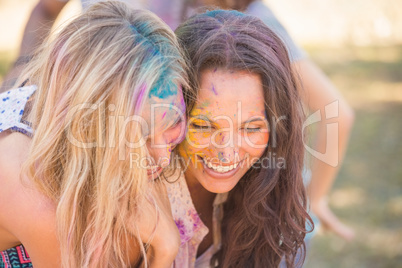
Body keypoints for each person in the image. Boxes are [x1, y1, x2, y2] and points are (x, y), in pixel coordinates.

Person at [2, 0, 354, 241]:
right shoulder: (46, 180)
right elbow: (46, 8)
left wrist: (316, 198)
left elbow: (335, 110)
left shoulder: (247, 13)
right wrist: (20, 76)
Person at [0, 1, 190, 267]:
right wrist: (166, 246)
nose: (164, 158)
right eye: (140, 136)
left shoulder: (54, 100)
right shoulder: (37, 198)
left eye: (173, 122)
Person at [164, 9, 312, 268]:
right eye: (203, 126)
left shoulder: (270, 187)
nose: (227, 153)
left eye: (251, 129)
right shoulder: (138, 201)